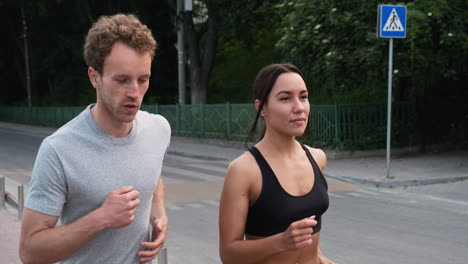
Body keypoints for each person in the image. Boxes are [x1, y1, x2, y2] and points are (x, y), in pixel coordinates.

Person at [19, 14, 171, 264]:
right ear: (94, 77)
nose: (134, 92)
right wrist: (101, 217)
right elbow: (30, 251)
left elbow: (154, 175)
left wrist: (159, 213)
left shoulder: (159, 129)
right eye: (122, 80)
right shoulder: (59, 150)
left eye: (143, 80)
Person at [219, 63, 335, 264]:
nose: (299, 107)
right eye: (285, 98)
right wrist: (281, 242)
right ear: (262, 107)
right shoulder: (244, 170)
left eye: (304, 97)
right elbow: (229, 254)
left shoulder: (317, 158)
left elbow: (309, 242)